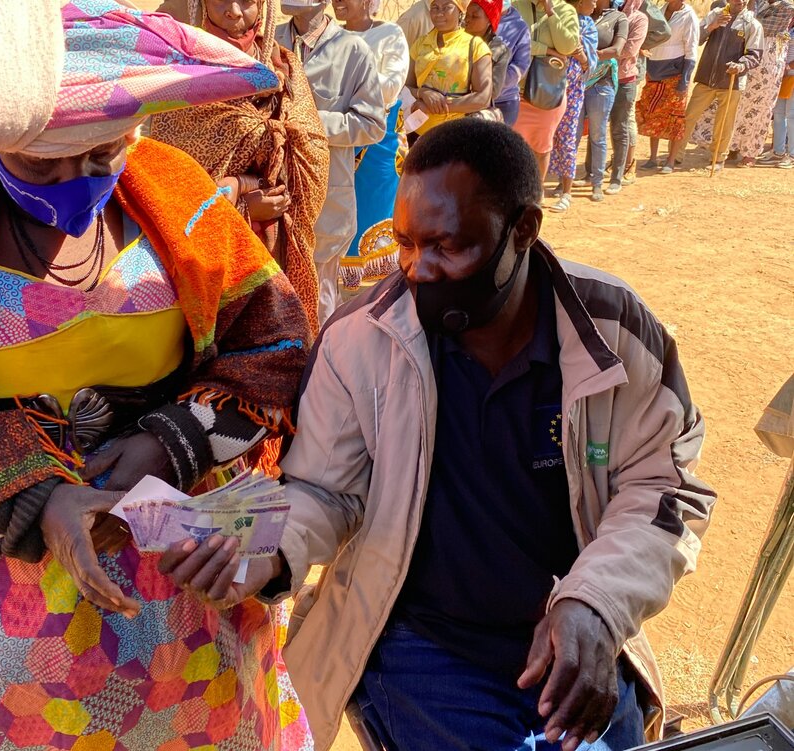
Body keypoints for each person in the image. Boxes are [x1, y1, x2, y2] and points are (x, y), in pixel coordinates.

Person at [161, 119, 717, 751]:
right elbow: (321, 488)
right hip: (416, 640)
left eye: (447, 246)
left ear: (523, 231)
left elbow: (666, 490)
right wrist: (256, 537)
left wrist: (594, 603)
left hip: (564, 634)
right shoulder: (359, 338)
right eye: (404, 243)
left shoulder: (616, 332)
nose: (417, 269)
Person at [0, 2, 312, 749]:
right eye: (39, 163)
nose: (75, 184)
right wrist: (36, 500)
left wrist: (173, 439)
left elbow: (270, 345)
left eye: (100, 156)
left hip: (181, 615)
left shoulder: (173, 190)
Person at [151, 0, 330, 336]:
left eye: (247, 0)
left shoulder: (284, 65)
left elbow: (313, 152)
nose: (234, 11)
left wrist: (281, 197)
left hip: (277, 245)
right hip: (210, 256)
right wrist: (243, 202)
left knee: (276, 345)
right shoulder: (184, 70)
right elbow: (173, 184)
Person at [276, 0, 386, 325]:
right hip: (271, 197)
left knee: (320, 308)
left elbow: (373, 124)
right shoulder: (267, 41)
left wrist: (309, 119)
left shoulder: (353, 51)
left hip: (326, 203)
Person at [333, 0, 410, 277]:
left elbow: (391, 86)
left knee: (375, 207)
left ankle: (375, 291)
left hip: (378, 140)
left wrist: (343, 91)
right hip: (336, 136)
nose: (337, 2)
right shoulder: (330, 35)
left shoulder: (390, 34)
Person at [679, 0, 764, 171]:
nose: (739, 1)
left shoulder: (752, 24)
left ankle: (718, 159)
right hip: (706, 77)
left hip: (732, 81)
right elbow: (697, 39)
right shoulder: (715, 15)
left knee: (724, 122)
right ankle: (676, 155)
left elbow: (755, 55)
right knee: (688, 117)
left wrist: (741, 65)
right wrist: (712, 26)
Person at [405, 0, 495, 139]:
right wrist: (422, 93)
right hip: (416, 129)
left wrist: (437, 106)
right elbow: (405, 87)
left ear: (461, 11)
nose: (439, 13)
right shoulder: (420, 44)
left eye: (447, 7)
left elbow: (482, 98)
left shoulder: (475, 46)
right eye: (435, 7)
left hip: (454, 134)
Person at [513, 0, 581, 183]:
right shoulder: (515, 5)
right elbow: (514, 41)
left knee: (541, 150)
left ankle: (536, 197)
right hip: (514, 92)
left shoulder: (566, 10)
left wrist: (551, 11)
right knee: (512, 149)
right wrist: (547, 50)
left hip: (547, 93)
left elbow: (567, 47)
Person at [727, 0, 794, 165]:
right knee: (739, 104)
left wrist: (748, 12)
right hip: (747, 58)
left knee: (761, 109)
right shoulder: (757, 3)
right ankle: (732, 147)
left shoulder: (786, 8)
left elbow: (760, 26)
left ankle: (750, 152)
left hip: (768, 66)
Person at [636, 0, 699, 171]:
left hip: (675, 74)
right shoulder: (658, 11)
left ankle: (670, 161)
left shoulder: (689, 16)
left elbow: (691, 50)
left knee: (675, 118)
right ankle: (653, 158)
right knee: (653, 114)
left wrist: (684, 81)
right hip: (654, 72)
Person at [575, 0, 627, 201]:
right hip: (576, 82)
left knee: (597, 135)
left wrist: (588, 57)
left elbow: (617, 50)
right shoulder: (581, 13)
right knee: (574, 134)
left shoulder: (618, 17)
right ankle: (566, 185)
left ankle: (597, 184)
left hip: (601, 83)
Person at [550, 0, 598, 212]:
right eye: (592, 0)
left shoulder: (588, 25)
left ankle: (567, 192)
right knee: (542, 138)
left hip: (572, 90)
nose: (595, 4)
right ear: (580, 2)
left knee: (567, 137)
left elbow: (589, 63)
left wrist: (579, 54)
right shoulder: (553, 18)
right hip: (546, 86)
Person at [605, 0, 647, 194]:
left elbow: (630, 50)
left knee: (621, 125)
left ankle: (622, 172)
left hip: (624, 78)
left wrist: (602, 53)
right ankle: (594, 172)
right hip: (601, 77)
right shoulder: (606, 13)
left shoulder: (639, 18)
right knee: (599, 125)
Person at [464, 0, 512, 114]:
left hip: (473, 113)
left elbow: (493, 91)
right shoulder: (455, 39)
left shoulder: (500, 50)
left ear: (489, 21)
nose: (467, 20)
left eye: (474, 16)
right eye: (466, 15)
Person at [493, 0, 534, 125]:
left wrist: (494, 84)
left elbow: (521, 65)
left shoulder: (519, 27)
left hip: (505, 102)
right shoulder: (473, 18)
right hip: (472, 99)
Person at [763, 28, 794, 166]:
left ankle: (792, 155)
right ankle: (778, 151)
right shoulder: (789, 27)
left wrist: (789, 66)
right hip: (783, 77)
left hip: (791, 74)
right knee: (779, 114)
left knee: (791, 115)